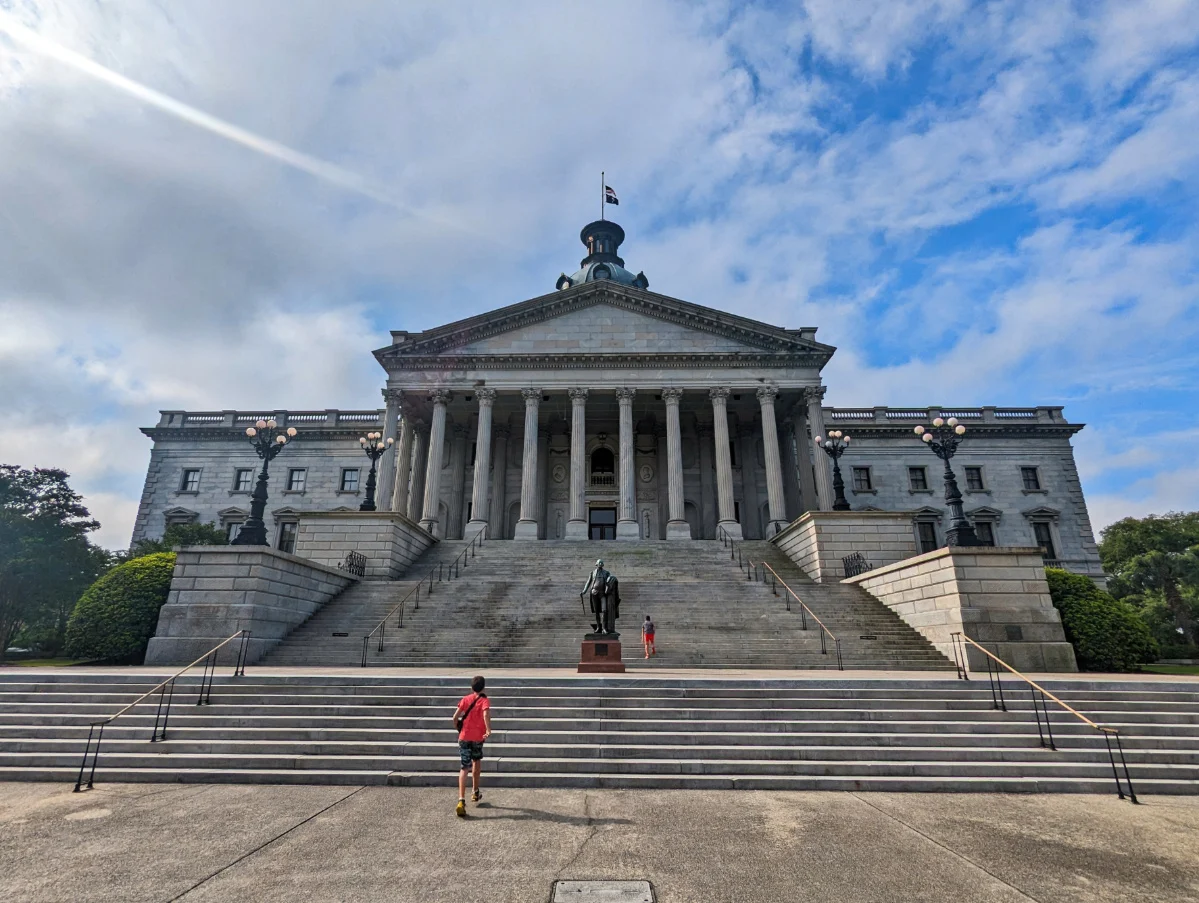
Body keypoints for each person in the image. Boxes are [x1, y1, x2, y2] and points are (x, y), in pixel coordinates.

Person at [451, 675, 491, 817]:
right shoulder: (484, 700)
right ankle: (475, 791)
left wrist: (458, 728)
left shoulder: (465, 699)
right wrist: (488, 730)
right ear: (484, 687)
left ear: (471, 687)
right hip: (477, 738)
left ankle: (461, 800)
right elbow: (486, 714)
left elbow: (455, 717)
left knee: (464, 767)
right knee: (476, 761)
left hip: (464, 737)